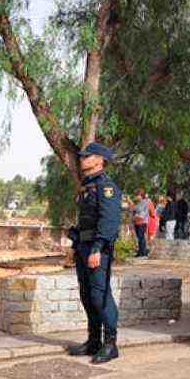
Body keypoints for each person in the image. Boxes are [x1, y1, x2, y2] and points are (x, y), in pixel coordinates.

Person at [65, 142, 121, 363]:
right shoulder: (87, 187)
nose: (82, 159)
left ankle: (111, 344)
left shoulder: (106, 188)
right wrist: (75, 247)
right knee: (87, 295)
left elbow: (108, 223)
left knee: (100, 295)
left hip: (98, 250)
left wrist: (97, 248)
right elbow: (85, 222)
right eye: (82, 156)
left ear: (99, 160)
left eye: (87, 156)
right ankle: (93, 340)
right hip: (83, 248)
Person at [131, 188, 151, 258]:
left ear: (140, 195)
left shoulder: (144, 202)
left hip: (142, 222)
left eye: (137, 195)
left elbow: (139, 210)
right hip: (137, 222)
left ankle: (143, 252)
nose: (136, 196)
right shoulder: (138, 202)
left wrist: (134, 207)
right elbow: (134, 209)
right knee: (139, 238)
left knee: (141, 237)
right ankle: (140, 252)